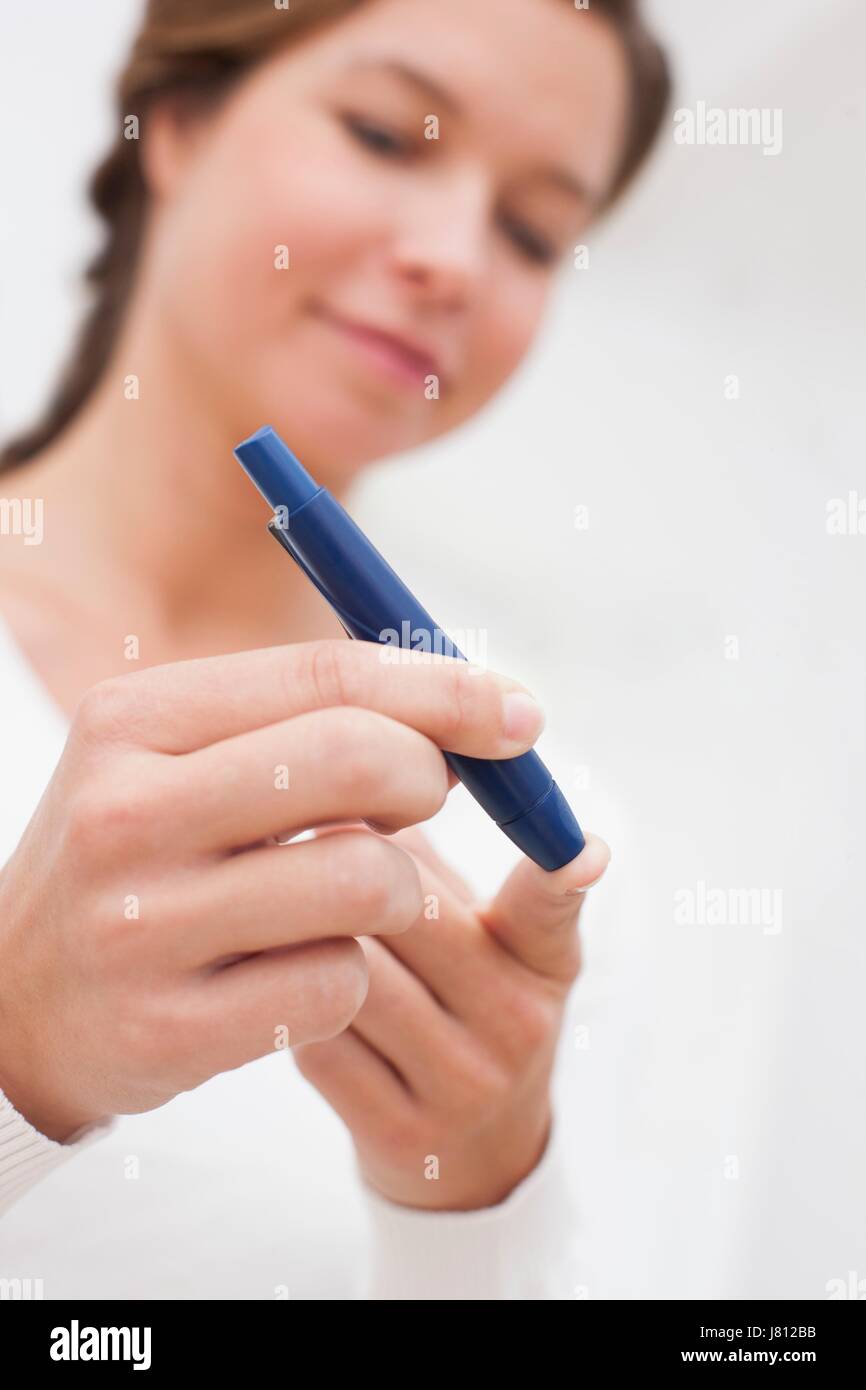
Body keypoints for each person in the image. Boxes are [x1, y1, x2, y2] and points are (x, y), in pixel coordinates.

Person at [0, 0, 669, 1298]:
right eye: (383, 134)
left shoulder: (547, 856)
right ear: (180, 125)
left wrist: (475, 1201)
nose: (456, 259)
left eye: (533, 230)